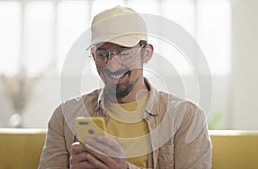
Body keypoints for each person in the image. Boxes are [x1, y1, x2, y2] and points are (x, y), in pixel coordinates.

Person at [38, 6, 211, 169]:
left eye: (124, 52)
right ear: (93, 55)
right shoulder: (64, 116)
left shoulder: (186, 117)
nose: (112, 66)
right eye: (102, 54)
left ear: (147, 53)